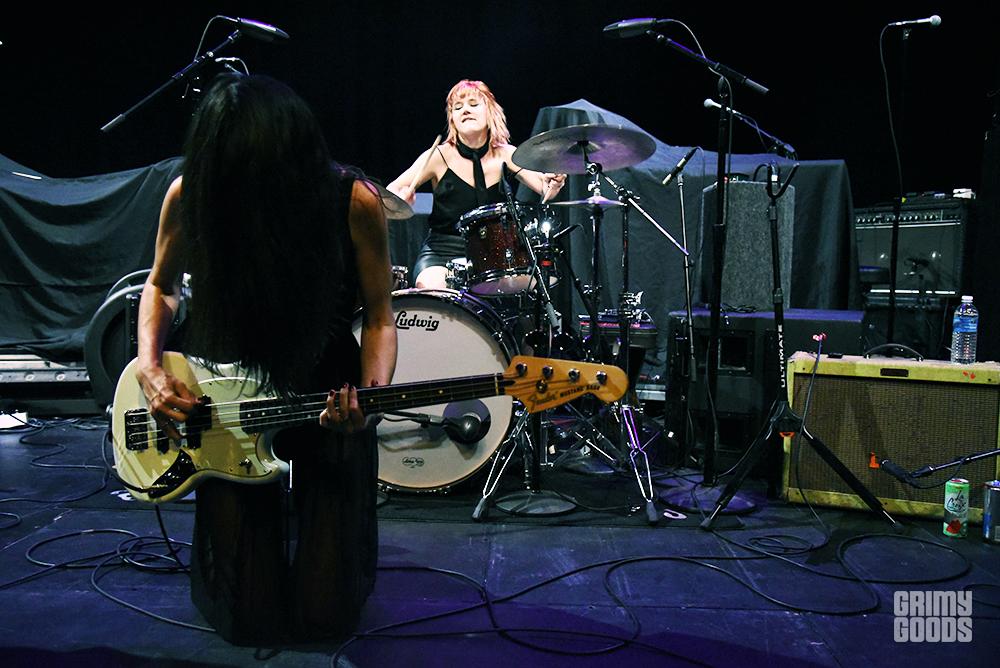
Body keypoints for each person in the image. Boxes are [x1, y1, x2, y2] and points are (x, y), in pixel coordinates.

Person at [135, 74, 397, 645]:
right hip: (225, 386)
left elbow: (380, 316)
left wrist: (371, 401)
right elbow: (159, 285)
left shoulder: (353, 200)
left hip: (325, 385)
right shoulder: (191, 193)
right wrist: (150, 369)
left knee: (325, 614)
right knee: (249, 614)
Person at [387, 79, 567, 289]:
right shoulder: (439, 156)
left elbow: (544, 188)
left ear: (490, 112)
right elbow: (393, 190)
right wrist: (400, 197)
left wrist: (554, 183)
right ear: (452, 119)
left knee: (530, 287)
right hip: (443, 252)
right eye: (458, 107)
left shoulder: (506, 154)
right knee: (431, 286)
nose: (465, 110)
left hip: (494, 255)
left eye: (473, 104)